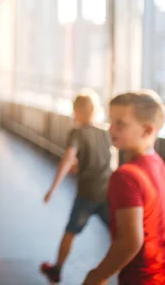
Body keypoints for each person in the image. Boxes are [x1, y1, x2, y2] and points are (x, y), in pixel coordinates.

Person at [83, 90, 165, 285]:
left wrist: (97, 275)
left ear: (147, 130)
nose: (111, 130)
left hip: (140, 278)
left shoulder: (126, 176)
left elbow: (130, 241)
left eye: (120, 124)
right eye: (111, 121)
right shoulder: (157, 164)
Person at [41, 90, 113, 283]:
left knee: (70, 231)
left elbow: (67, 160)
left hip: (87, 194)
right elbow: (105, 160)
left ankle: (56, 269)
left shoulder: (77, 133)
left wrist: (52, 189)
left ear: (78, 112)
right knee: (119, 233)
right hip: (107, 191)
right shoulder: (105, 131)